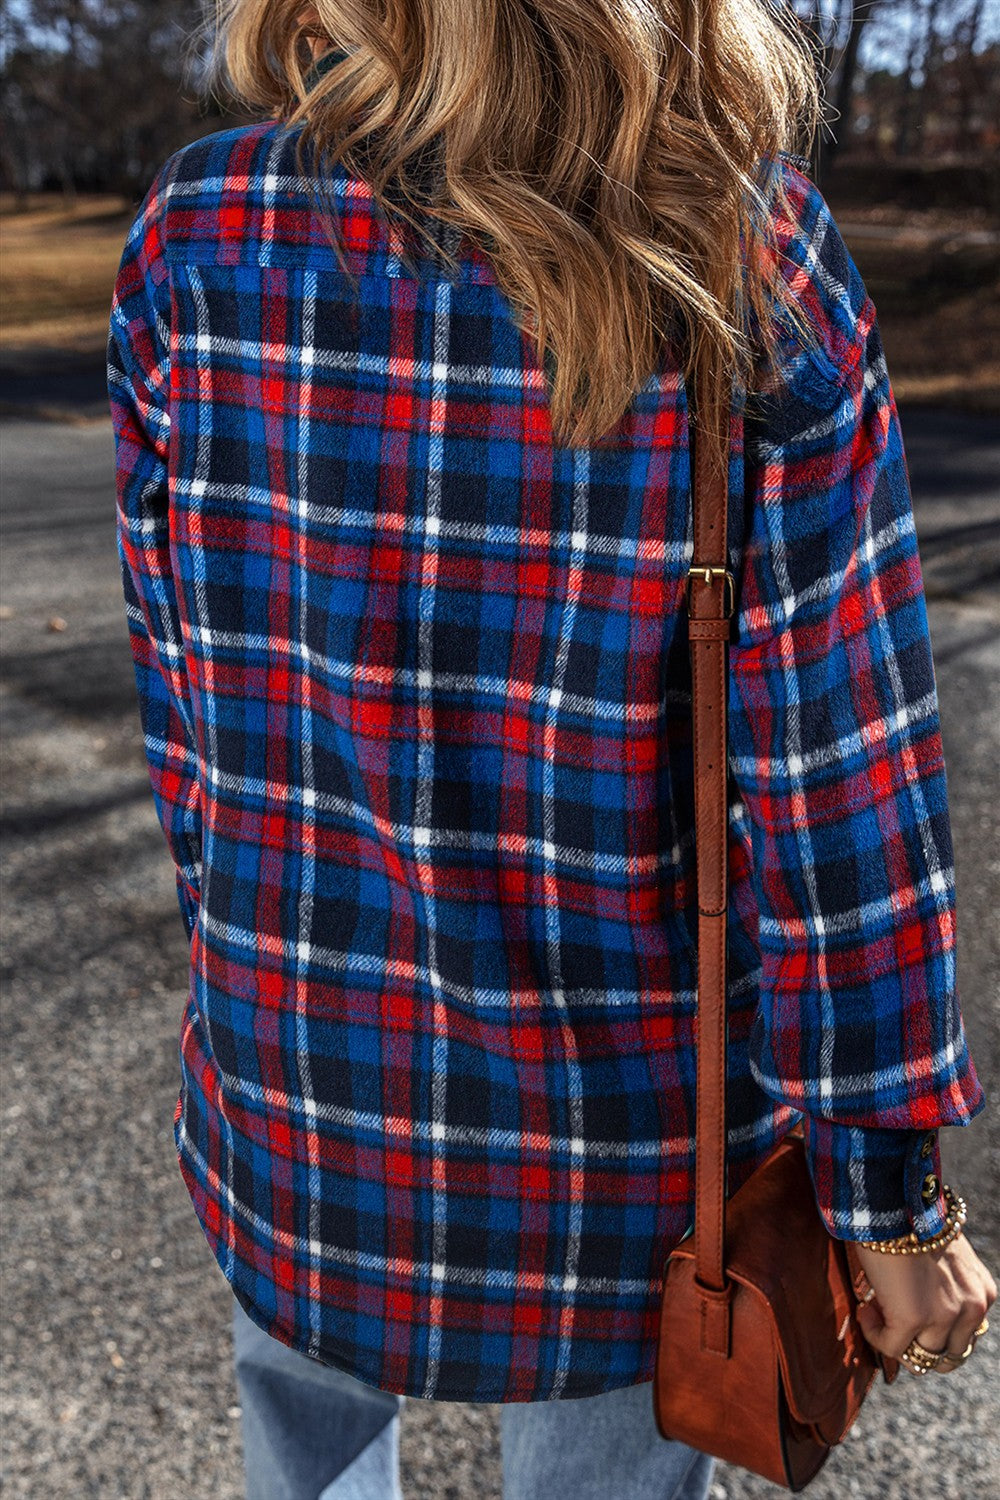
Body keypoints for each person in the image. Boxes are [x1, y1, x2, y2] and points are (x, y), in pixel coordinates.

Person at [108, 2, 995, 1496]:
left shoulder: (200, 234)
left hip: (303, 1099)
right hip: (630, 1155)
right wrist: (885, 1191)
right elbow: (843, 777)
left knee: (299, 1456)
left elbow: (187, 698)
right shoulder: (739, 252)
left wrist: (242, 970)